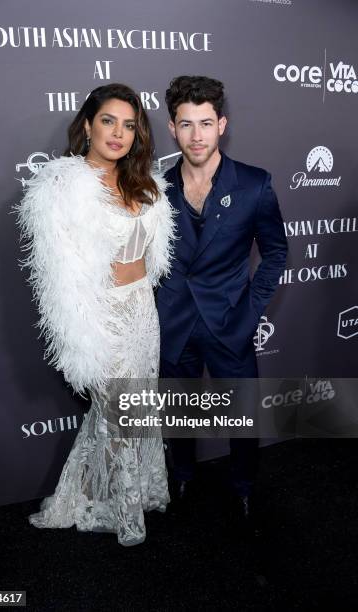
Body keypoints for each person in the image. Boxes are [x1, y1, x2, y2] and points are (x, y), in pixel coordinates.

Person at [15, 83, 176, 546]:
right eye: (108, 120)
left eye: (129, 125)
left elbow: (152, 258)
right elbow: (59, 279)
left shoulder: (144, 183)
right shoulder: (64, 187)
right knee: (120, 414)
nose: (118, 133)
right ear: (87, 125)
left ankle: (100, 491)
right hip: (99, 320)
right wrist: (83, 340)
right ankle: (127, 517)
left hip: (143, 314)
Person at [157, 75, 288, 523]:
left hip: (230, 322)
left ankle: (245, 487)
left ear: (222, 125)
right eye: (187, 124)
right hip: (173, 323)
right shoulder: (153, 188)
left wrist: (250, 314)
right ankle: (182, 475)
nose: (197, 136)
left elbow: (275, 253)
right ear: (172, 128)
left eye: (206, 123)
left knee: (243, 417)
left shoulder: (254, 184)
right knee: (179, 414)